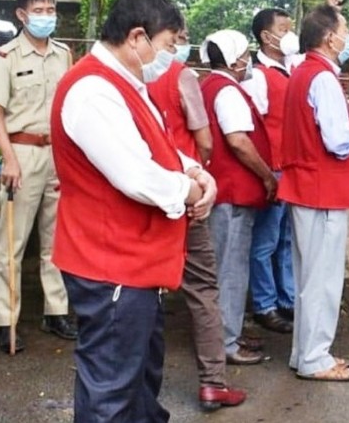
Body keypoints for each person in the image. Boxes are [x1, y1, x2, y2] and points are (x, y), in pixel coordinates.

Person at [50, 0, 216, 422]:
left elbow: (155, 148)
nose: (170, 55)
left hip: (133, 263)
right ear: (137, 37)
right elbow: (134, 173)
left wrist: (197, 173)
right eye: (168, 44)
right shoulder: (92, 89)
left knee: (139, 380)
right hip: (110, 264)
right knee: (112, 392)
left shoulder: (127, 83)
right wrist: (190, 190)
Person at [146, 28, 246, 411]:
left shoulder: (123, 79)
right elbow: (203, 139)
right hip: (185, 192)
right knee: (203, 287)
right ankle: (212, 383)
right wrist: (200, 176)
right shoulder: (181, 75)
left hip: (143, 194)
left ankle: (140, 386)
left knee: (143, 288)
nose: (178, 45)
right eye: (176, 37)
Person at [279, 4, 349, 381]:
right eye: (344, 29)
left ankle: (304, 353)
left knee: (309, 277)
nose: (346, 36)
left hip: (306, 186)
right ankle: (315, 357)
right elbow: (337, 142)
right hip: (322, 188)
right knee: (322, 279)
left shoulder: (302, 73)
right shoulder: (322, 78)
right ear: (329, 37)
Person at [0, 0, 76, 353]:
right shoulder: (6, 56)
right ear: (21, 15)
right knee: (12, 244)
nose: (46, 16)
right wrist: (8, 158)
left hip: (57, 155)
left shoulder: (63, 54)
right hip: (21, 154)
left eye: (50, 10)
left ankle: (56, 312)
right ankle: (7, 322)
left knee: (56, 241)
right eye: (38, 11)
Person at [199, 29, 276, 365]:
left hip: (221, 189)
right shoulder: (227, 91)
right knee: (231, 268)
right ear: (233, 61)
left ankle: (226, 333)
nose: (249, 60)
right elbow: (239, 141)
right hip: (232, 191)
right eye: (245, 54)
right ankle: (227, 343)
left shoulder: (207, 86)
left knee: (223, 265)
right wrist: (267, 175)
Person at [244, 8, 299, 335]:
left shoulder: (290, 68)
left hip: (290, 166)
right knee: (265, 241)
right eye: (283, 28)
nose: (289, 34)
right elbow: (253, 125)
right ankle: (265, 304)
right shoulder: (258, 75)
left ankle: (286, 297)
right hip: (274, 166)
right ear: (266, 36)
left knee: (286, 239)